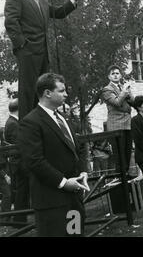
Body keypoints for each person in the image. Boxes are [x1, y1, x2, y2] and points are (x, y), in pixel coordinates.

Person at [4, 0, 88, 119]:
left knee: (43, 91)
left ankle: (41, 122)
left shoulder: (42, 1)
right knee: (28, 90)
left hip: (43, 53)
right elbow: (11, 22)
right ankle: (27, 126)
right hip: (27, 51)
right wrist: (22, 45)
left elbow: (59, 12)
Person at [17, 73, 89, 237]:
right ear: (47, 93)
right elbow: (34, 161)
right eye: (62, 90)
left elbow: (77, 149)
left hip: (74, 200)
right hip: (52, 204)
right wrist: (64, 183)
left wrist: (83, 172)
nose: (66, 94)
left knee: (76, 234)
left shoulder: (62, 118)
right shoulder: (31, 122)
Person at [101, 65, 135, 173]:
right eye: (113, 73)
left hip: (127, 124)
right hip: (116, 125)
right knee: (120, 157)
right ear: (108, 76)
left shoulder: (123, 87)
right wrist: (124, 93)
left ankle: (126, 182)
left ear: (120, 75)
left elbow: (133, 102)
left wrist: (129, 94)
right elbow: (116, 102)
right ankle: (121, 183)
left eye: (117, 73)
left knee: (127, 155)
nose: (115, 75)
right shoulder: (107, 89)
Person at [4, 98, 31, 222]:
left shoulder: (11, 122)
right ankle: (19, 220)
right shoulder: (13, 124)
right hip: (20, 163)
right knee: (22, 191)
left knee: (22, 190)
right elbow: (18, 143)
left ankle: (20, 219)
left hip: (18, 162)